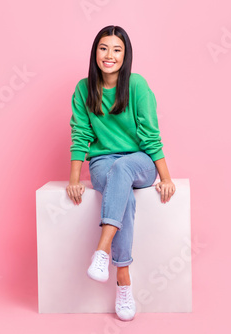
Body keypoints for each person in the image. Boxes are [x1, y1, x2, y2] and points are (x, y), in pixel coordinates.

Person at [66, 25, 175, 321]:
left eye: (117, 49)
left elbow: (151, 135)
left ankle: (101, 252)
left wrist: (165, 177)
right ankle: (123, 280)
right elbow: (80, 134)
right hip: (102, 163)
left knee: (124, 168)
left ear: (125, 55)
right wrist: (75, 179)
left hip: (139, 161)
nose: (109, 55)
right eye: (104, 48)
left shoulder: (137, 85)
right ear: (95, 52)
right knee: (118, 180)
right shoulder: (83, 88)